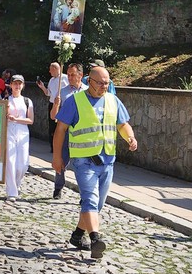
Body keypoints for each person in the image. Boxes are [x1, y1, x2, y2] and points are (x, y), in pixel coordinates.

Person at [53, 66, 138, 258]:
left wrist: (130, 137)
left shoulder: (113, 100)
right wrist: (57, 157)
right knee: (90, 200)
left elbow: (122, 124)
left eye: (107, 83)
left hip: (107, 161)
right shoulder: (74, 101)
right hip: (84, 161)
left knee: (97, 204)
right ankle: (95, 239)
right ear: (89, 81)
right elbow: (60, 130)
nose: (103, 87)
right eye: (100, 83)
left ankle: (77, 235)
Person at [49, 63, 88, 199]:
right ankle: (58, 187)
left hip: (82, 134)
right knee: (61, 161)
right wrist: (56, 104)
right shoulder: (62, 92)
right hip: (65, 133)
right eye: (69, 74)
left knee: (83, 165)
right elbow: (53, 116)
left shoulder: (88, 92)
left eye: (73, 75)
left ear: (80, 75)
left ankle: (85, 193)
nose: (70, 77)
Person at [5, 75, 34, 201]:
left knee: (22, 164)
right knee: (10, 161)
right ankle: (11, 191)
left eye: (19, 84)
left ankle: (16, 184)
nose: (17, 86)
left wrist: (17, 119)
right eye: (15, 83)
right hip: (9, 130)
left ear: (23, 85)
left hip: (22, 130)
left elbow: (30, 120)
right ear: (11, 85)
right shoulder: (6, 99)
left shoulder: (27, 101)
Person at [36, 62, 68, 152]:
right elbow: (48, 93)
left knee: (61, 125)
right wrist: (42, 87)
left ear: (54, 69)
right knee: (52, 125)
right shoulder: (51, 80)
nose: (49, 71)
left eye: (50, 69)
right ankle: (53, 146)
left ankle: (62, 146)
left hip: (61, 104)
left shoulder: (65, 78)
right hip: (52, 104)